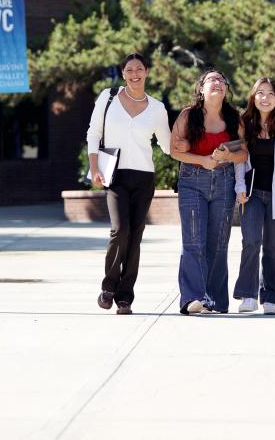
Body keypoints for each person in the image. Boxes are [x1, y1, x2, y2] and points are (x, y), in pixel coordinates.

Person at [87, 53, 172, 315]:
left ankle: (125, 297)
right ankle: (109, 286)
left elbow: (168, 145)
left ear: (147, 72)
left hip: (144, 176)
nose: (134, 74)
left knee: (135, 236)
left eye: (139, 69)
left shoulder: (157, 108)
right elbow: (94, 132)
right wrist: (94, 168)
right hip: (114, 174)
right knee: (120, 230)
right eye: (129, 70)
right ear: (123, 73)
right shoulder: (108, 97)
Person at [171, 69, 246, 314]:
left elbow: (244, 153)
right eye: (211, 80)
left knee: (218, 244)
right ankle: (193, 298)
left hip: (224, 182)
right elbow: (175, 151)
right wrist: (201, 160)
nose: (217, 83)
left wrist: (228, 156)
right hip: (192, 181)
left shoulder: (235, 118)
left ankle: (214, 300)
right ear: (201, 89)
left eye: (221, 80)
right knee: (193, 241)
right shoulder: (187, 116)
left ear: (226, 89)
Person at [233, 77, 275, 315]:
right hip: (251, 194)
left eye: (270, 93)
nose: (265, 98)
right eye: (260, 93)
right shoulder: (245, 122)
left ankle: (271, 297)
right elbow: (239, 159)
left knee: (273, 248)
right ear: (253, 97)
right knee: (250, 242)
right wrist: (239, 186)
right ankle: (248, 295)